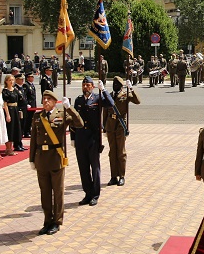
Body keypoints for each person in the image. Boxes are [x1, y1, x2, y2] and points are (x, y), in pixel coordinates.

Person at [29, 90, 83, 235]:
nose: (45, 101)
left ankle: (57, 221)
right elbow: (34, 139)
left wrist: (69, 108)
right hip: (41, 158)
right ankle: (47, 220)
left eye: (49, 99)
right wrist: (32, 159)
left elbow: (79, 123)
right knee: (45, 192)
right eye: (44, 99)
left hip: (55, 157)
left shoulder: (61, 114)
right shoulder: (37, 116)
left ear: (54, 101)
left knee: (57, 192)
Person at [73, 77, 114, 206]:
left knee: (95, 167)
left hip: (93, 138)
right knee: (83, 167)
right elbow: (74, 120)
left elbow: (111, 103)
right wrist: (73, 138)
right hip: (80, 138)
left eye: (88, 85)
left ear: (93, 86)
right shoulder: (78, 100)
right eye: (84, 85)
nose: (86, 87)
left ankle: (95, 194)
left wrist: (104, 90)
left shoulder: (97, 98)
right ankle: (87, 193)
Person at [105, 76, 140, 187]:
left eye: (117, 85)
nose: (115, 86)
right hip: (110, 125)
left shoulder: (125, 94)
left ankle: (122, 176)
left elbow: (137, 101)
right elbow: (105, 111)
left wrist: (132, 89)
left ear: (121, 86)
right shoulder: (109, 96)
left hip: (120, 125)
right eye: (114, 84)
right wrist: (104, 126)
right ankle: (113, 176)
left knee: (121, 152)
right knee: (112, 152)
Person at [1, 74, 20, 155]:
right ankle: (8, 148)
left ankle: (11, 148)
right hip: (9, 109)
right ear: (6, 81)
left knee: (14, 129)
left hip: (15, 109)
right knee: (9, 129)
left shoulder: (15, 90)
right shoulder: (5, 91)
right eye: (9, 80)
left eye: (12, 80)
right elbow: (5, 103)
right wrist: (8, 115)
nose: (11, 82)